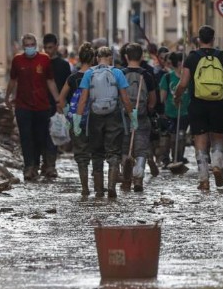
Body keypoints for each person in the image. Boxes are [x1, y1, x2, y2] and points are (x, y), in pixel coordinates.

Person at [173, 25, 223, 190]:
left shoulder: (192, 58)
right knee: (218, 138)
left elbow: (183, 83)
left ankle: (204, 180)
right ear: (213, 39)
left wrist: (177, 95)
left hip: (198, 104)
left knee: (200, 142)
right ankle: (216, 165)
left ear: (199, 40)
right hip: (218, 104)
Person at [75, 46, 134, 198]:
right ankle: (111, 186)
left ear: (96, 58)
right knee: (114, 151)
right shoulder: (117, 72)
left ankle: (99, 190)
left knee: (97, 153)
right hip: (114, 114)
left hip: (95, 116)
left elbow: (83, 99)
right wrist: (132, 116)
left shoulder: (89, 73)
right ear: (111, 58)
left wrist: (77, 119)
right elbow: (125, 98)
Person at [5, 33, 61, 181]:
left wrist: (58, 100)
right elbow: (12, 80)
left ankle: (44, 165)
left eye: (32, 45)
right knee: (26, 137)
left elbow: (50, 81)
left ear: (36, 45)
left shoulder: (44, 60)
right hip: (23, 105)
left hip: (42, 106)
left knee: (41, 137)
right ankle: (29, 167)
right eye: (27, 45)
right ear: (23, 47)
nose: (29, 48)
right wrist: (7, 97)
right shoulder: (17, 60)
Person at [57, 42, 96, 196]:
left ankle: (85, 187)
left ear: (79, 58)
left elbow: (61, 99)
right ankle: (100, 187)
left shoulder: (72, 78)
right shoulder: (96, 76)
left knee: (81, 155)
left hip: (76, 121)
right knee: (97, 153)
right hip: (96, 119)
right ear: (93, 59)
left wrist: (68, 114)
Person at [120, 43, 157, 192]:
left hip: (124, 117)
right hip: (141, 116)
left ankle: (126, 179)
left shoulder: (120, 74)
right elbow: (153, 99)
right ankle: (138, 179)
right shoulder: (146, 74)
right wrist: (148, 108)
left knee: (124, 148)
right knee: (141, 149)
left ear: (126, 57)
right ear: (142, 57)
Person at [41, 33, 72, 177]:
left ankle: (50, 165)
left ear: (56, 47)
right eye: (46, 48)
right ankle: (43, 163)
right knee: (41, 135)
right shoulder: (40, 63)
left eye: (51, 47)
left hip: (56, 105)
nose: (48, 50)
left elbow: (68, 85)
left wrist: (64, 104)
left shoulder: (63, 65)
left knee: (53, 135)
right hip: (40, 103)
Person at [159, 51, 190, 166]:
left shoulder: (188, 78)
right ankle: (166, 159)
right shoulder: (167, 77)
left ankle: (178, 158)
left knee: (180, 136)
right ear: (180, 63)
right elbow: (162, 98)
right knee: (171, 137)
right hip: (170, 112)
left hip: (185, 112)